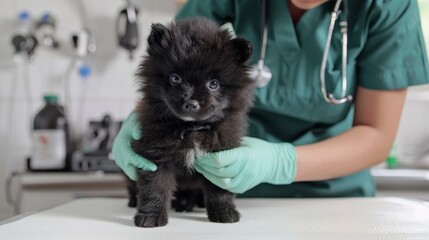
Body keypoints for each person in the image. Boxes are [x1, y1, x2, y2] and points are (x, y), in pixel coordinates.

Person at [113, 0, 429, 197]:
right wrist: (140, 121)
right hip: (229, 187)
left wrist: (280, 163)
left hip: (338, 196)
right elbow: (172, 63)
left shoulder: (389, 4)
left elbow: (377, 135)